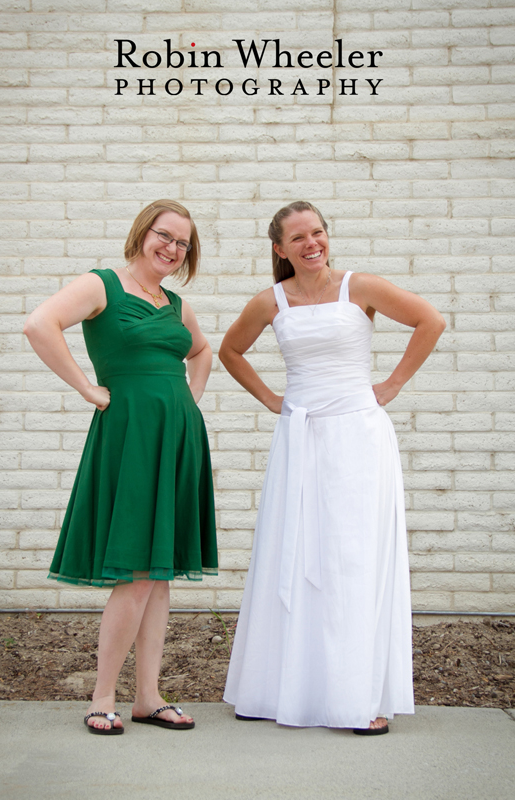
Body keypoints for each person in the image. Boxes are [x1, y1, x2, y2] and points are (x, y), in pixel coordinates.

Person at [220, 201, 445, 734]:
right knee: (293, 554)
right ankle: (279, 690)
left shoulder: (359, 287)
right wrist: (272, 399)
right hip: (300, 438)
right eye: (297, 238)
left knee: (351, 556)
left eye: (317, 232)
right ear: (280, 249)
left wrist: (390, 386)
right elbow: (230, 351)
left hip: (357, 438)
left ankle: (355, 695)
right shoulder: (270, 301)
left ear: (327, 236)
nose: (310, 243)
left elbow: (429, 320)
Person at [24, 200, 217, 735]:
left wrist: (188, 402)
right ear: (142, 233)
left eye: (183, 243)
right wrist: (88, 388)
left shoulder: (176, 305)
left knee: (159, 577)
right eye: (165, 235)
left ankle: (148, 697)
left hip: (176, 439)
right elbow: (40, 324)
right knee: (136, 573)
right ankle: (102, 696)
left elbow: (202, 354)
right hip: (130, 438)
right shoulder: (102, 285)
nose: (172, 248)